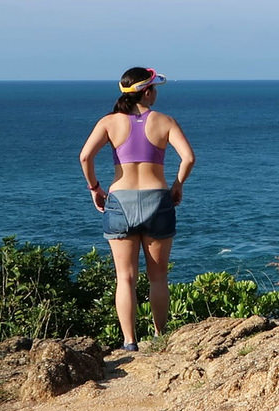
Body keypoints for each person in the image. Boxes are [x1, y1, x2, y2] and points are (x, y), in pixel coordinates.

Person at [79, 67, 195, 351]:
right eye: (155, 88)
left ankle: (129, 343)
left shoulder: (109, 123)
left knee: (125, 278)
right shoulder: (165, 121)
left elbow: (85, 156)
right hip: (158, 201)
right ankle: (159, 338)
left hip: (120, 202)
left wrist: (95, 188)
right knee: (158, 277)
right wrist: (177, 185)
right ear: (146, 91)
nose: (156, 93)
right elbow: (189, 158)